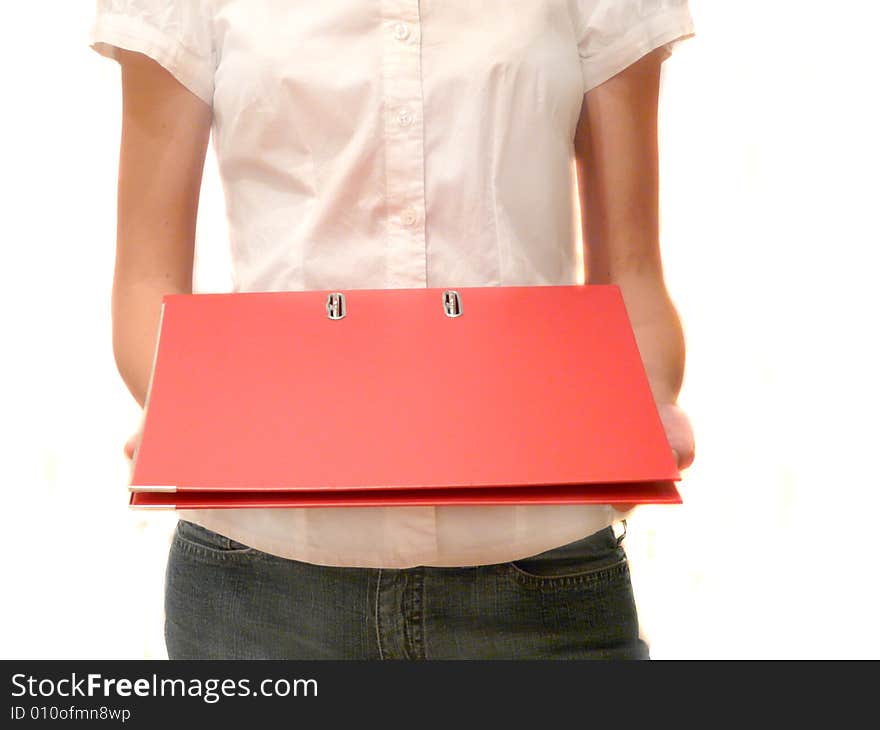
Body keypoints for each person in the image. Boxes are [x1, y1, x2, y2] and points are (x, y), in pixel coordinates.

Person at [88, 0, 696, 660]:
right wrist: (193, 418)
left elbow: (630, 271)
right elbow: (146, 276)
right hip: (258, 583)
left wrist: (646, 407)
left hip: (543, 568)